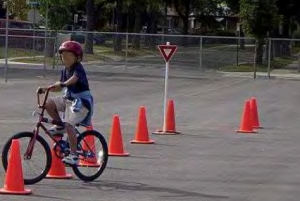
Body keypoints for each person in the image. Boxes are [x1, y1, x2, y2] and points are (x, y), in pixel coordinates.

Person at [42, 40, 93, 165]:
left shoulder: (78, 68)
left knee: (70, 125)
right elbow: (60, 86)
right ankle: (60, 126)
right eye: (63, 56)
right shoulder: (65, 70)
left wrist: (64, 83)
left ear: (77, 57)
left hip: (81, 102)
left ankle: (74, 155)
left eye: (68, 56)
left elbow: (74, 79)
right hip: (69, 99)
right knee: (48, 103)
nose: (65, 59)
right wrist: (47, 88)